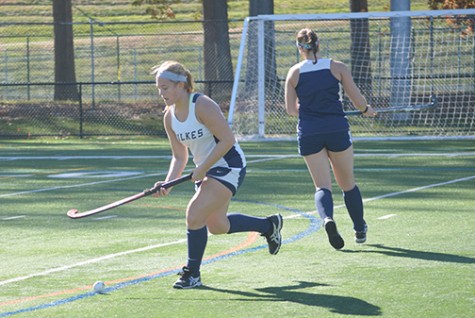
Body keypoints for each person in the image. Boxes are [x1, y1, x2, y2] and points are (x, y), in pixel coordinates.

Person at [151, 60, 283, 289]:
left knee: (194, 214)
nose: (161, 93)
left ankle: (192, 274)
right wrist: (168, 184)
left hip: (228, 164)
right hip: (205, 171)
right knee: (217, 226)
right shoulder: (169, 117)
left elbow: (227, 140)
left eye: (165, 88)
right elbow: (179, 157)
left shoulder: (201, 105)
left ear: (181, 85)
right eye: (159, 88)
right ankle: (268, 226)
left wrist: (203, 168)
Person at [284, 28, 377, 250]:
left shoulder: (294, 73)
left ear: (300, 48)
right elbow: (356, 99)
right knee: (347, 184)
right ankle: (359, 228)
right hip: (336, 129)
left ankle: (327, 219)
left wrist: (309, 108)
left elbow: (290, 110)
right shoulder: (337, 67)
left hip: (309, 132)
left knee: (322, 186)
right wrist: (366, 110)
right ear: (318, 45)